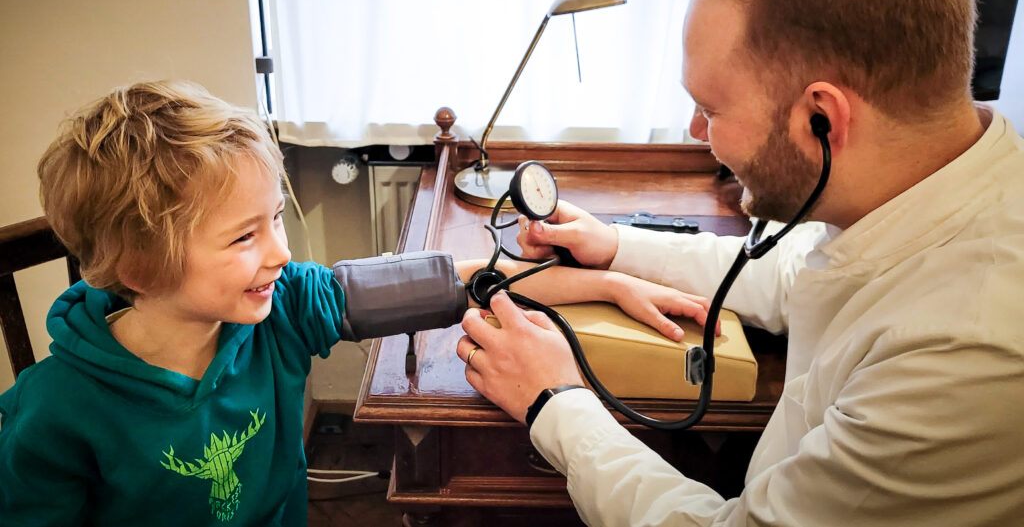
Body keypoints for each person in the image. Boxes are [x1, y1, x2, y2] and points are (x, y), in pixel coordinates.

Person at [457, 0, 1024, 526]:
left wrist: (555, 402)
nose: (697, 129)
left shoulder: (963, 353)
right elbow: (789, 274)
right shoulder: (922, 181)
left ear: (822, 119)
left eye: (712, 108)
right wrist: (615, 244)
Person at [0, 80, 703, 526]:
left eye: (274, 217)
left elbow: (461, 276)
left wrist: (607, 280)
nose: (280, 250)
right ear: (139, 267)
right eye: (245, 235)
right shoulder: (52, 415)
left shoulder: (281, 307)